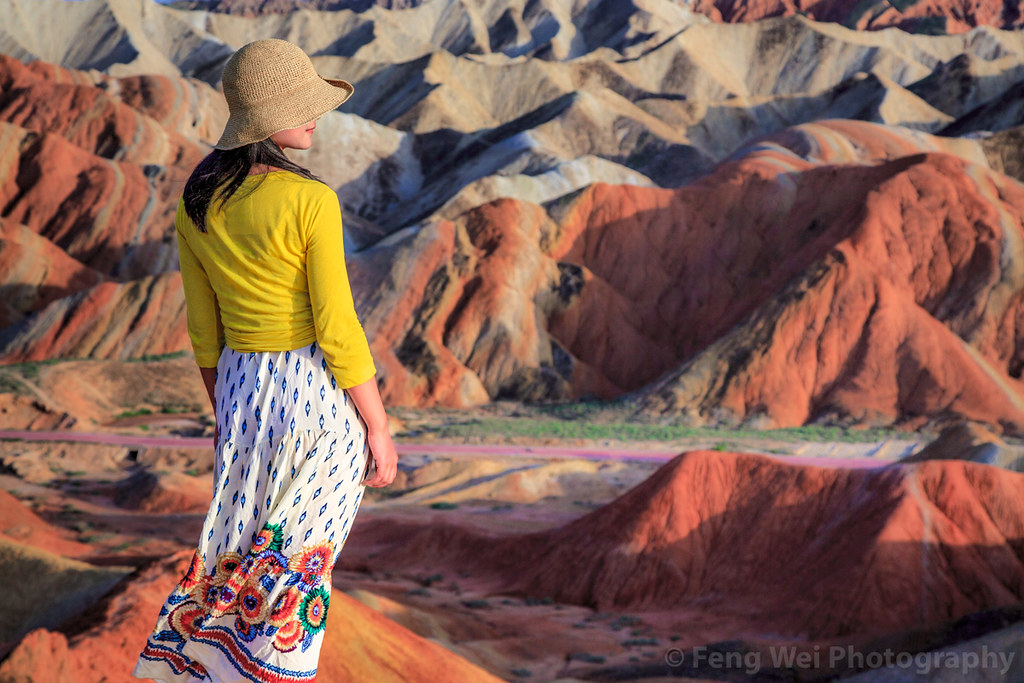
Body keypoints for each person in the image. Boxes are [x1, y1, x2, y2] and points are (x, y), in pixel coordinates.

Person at [132, 38, 398, 682]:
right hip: (313, 398)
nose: (315, 116)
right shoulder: (311, 200)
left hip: (242, 391)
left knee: (236, 552)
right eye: (301, 104)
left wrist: (228, 411)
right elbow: (337, 328)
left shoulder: (197, 202)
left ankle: (197, 665)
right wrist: (380, 427)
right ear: (263, 116)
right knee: (297, 569)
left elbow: (204, 331)